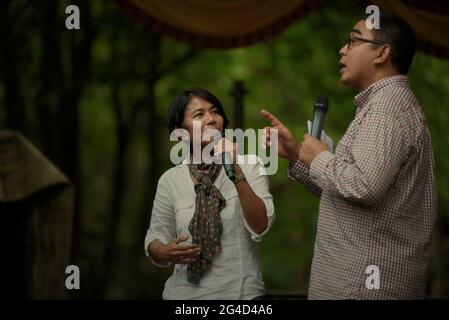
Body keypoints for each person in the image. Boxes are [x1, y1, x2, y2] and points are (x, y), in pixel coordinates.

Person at [261, 11, 437, 299]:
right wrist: (297, 157)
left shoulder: (387, 109)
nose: (342, 49)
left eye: (354, 41)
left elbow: (364, 186)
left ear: (382, 53)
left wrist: (319, 157)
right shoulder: (381, 105)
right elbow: (346, 194)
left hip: (363, 287)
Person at [145, 87, 275, 299]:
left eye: (215, 112)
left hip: (241, 295)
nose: (211, 119)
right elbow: (156, 236)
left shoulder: (251, 165)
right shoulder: (170, 180)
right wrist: (161, 251)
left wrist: (237, 171)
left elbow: (260, 226)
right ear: (180, 131)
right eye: (199, 114)